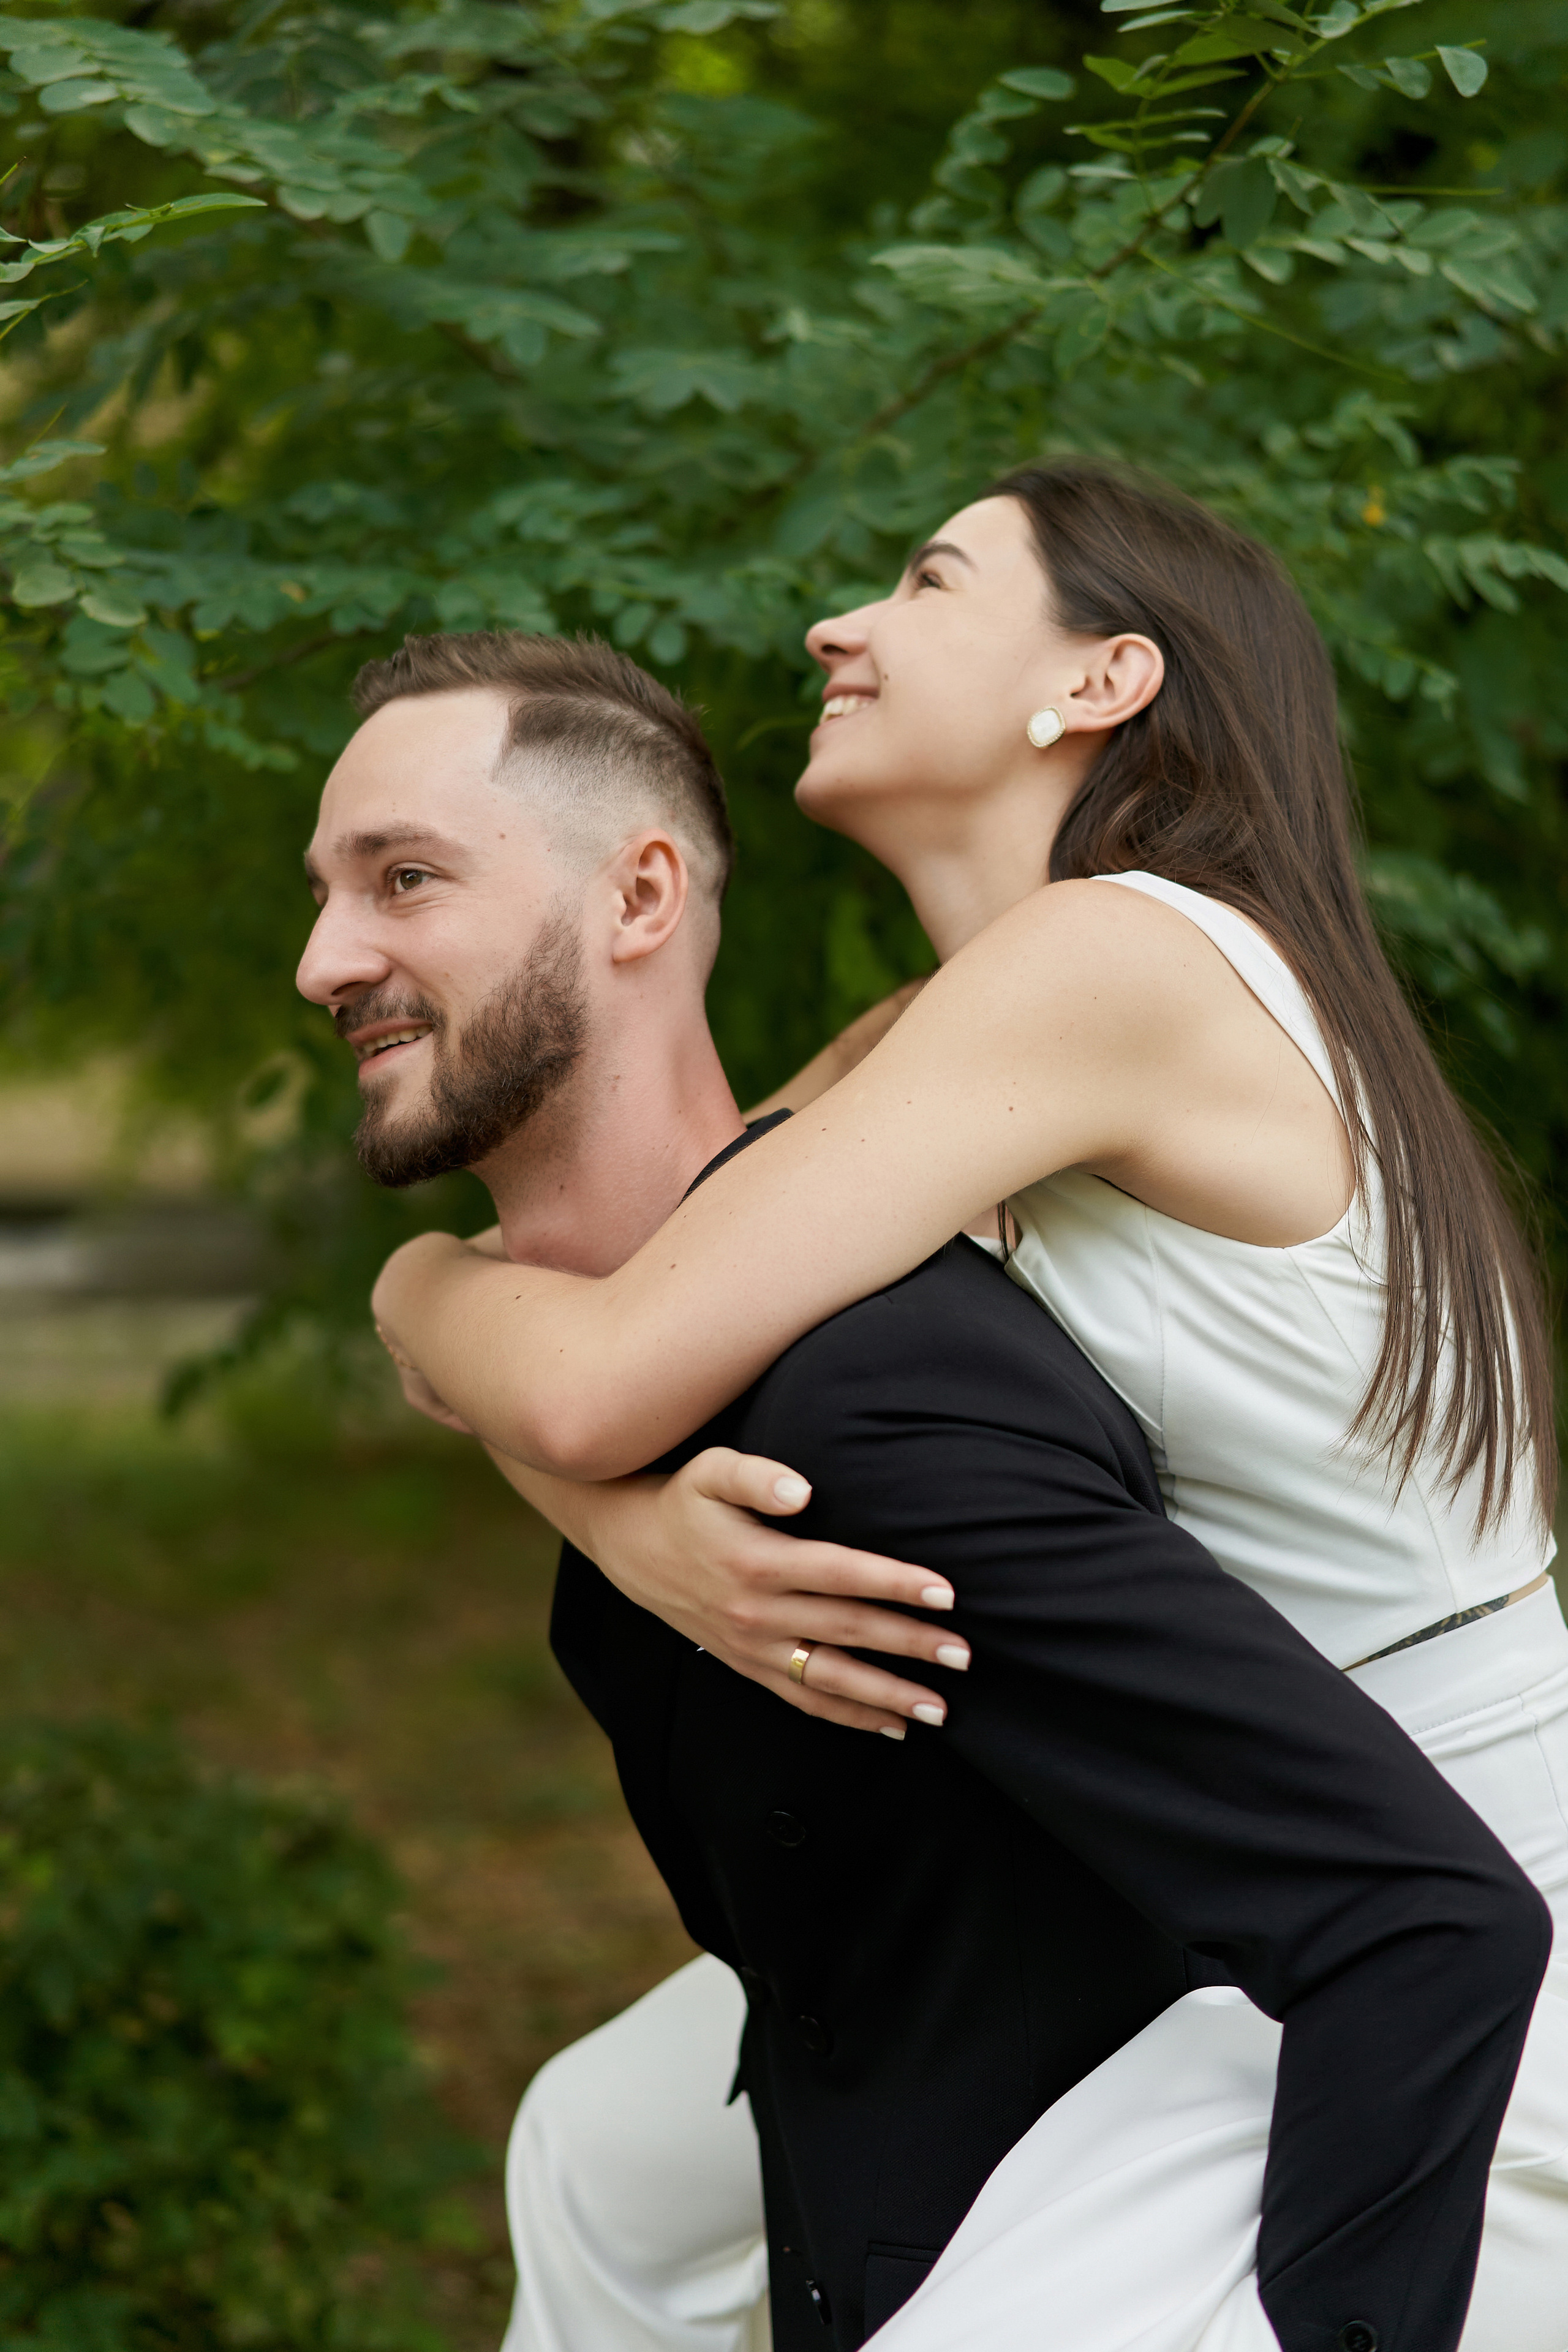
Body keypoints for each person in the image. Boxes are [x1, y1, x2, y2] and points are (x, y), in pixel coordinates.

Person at [365, 467, 1568, 2352]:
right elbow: (603, 1324)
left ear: (1097, 683)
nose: (839, 626)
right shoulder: (971, 1019)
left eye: (925, 578)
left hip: (1450, 1885)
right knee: (600, 2154)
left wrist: (452, 1317)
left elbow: (583, 1372)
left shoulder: (1116, 965)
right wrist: (462, 1336)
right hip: (1207, 1826)